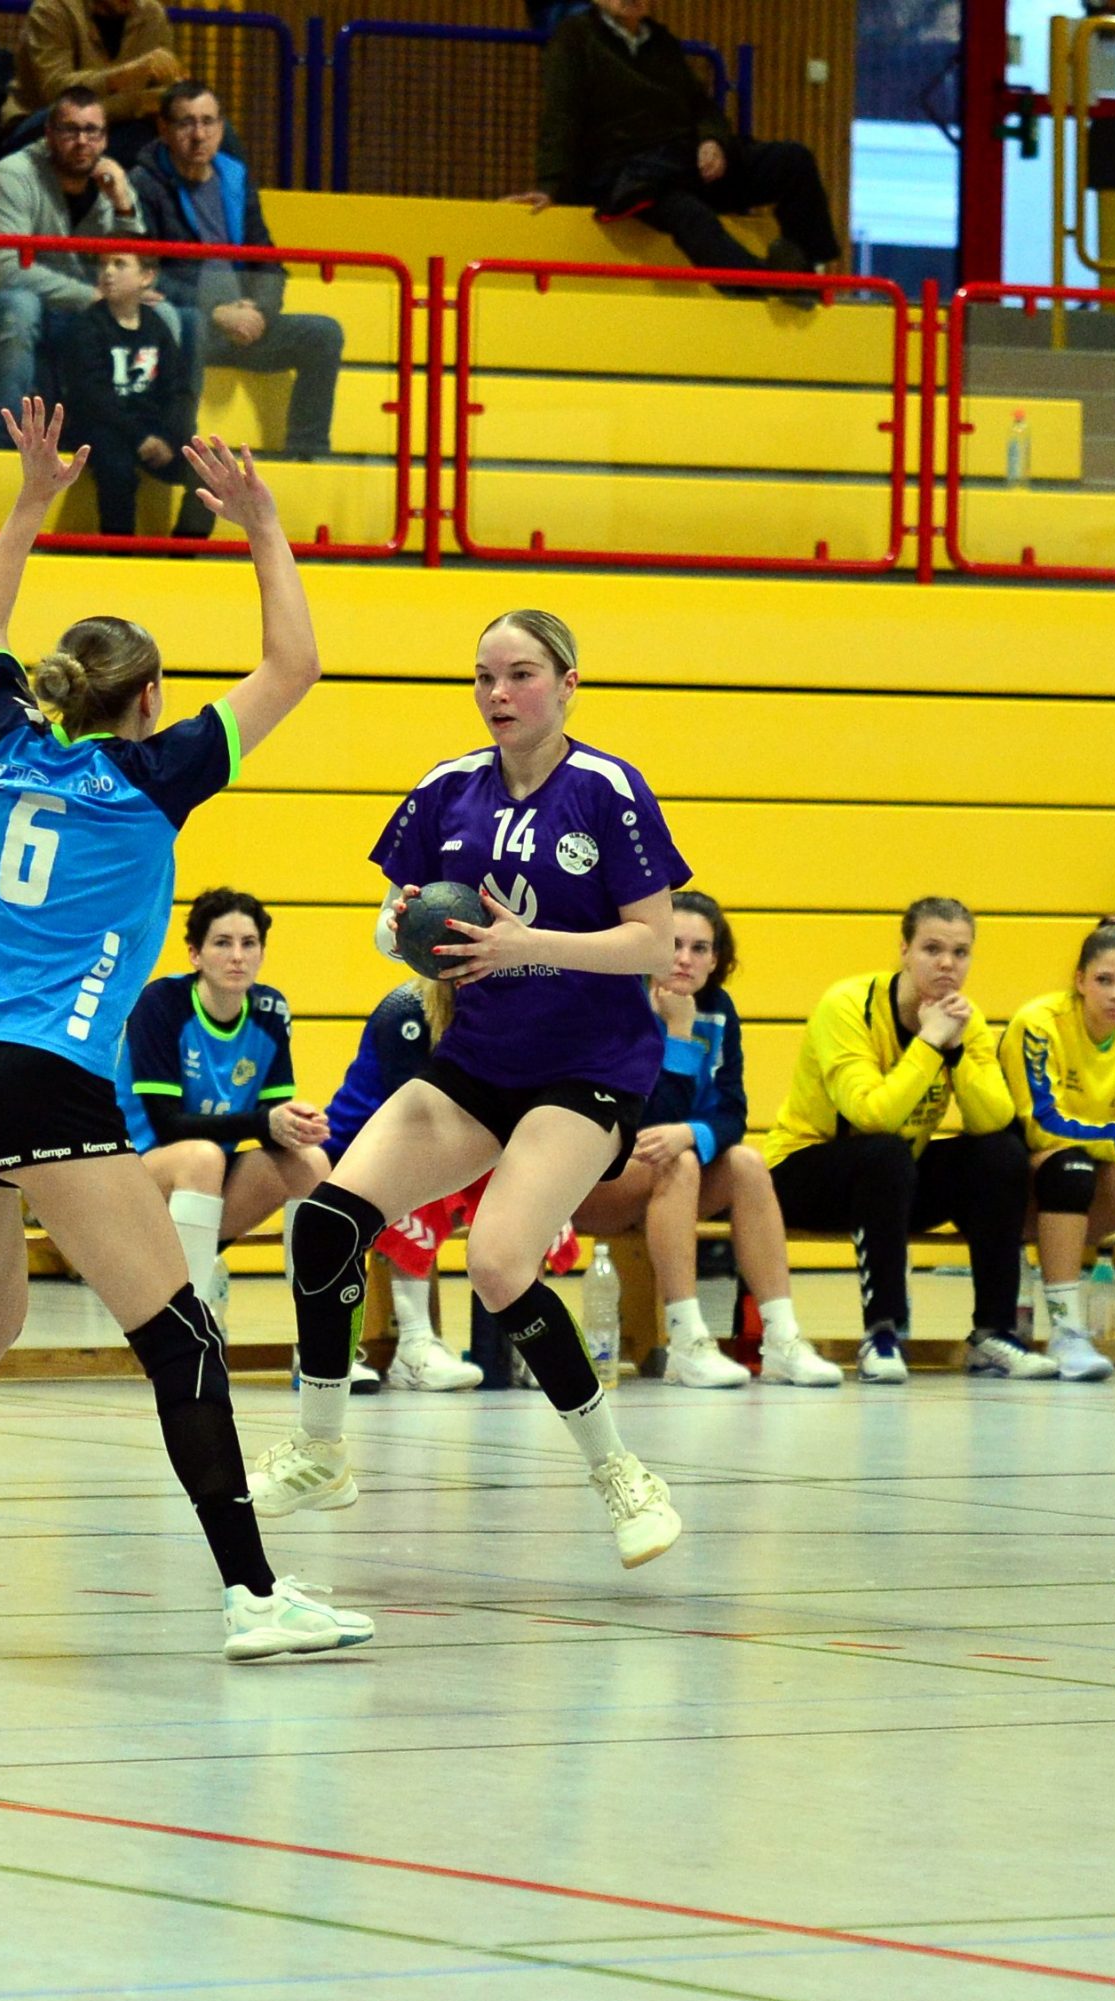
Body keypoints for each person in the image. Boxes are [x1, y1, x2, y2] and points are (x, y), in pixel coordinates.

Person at [0, 401, 372, 1664]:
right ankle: (255, 1597)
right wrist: (264, 526)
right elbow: (292, 668)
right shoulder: (156, 775)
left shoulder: (4, 741)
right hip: (43, 1081)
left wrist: (31, 500)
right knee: (180, 1335)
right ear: (150, 698)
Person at [254, 609, 689, 1569]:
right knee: (326, 1222)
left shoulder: (607, 790)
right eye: (485, 676)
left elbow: (655, 943)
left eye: (521, 674)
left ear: (567, 683)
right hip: (479, 1058)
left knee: (497, 1263)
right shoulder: (447, 789)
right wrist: (402, 927)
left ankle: (621, 1473)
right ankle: (322, 1450)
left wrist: (528, 944)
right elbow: (392, 920)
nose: (499, 693)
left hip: (588, 1068)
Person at [765, 899, 1053, 1384]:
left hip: (893, 1179)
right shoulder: (847, 1005)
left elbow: (993, 1118)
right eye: (932, 949)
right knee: (886, 1152)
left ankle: (993, 1334)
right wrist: (927, 1044)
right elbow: (871, 1114)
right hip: (801, 1174)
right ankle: (882, 1333)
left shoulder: (965, 1019)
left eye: (960, 953)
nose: (947, 964)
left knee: (1000, 1154)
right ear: (904, 950)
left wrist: (955, 1050)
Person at [574, 892, 844, 1388]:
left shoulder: (718, 1011)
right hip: (596, 1181)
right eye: (673, 944)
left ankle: (782, 1339)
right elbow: (642, 1120)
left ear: (716, 959)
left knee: (746, 1164)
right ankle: (687, 1342)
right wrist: (677, 1035)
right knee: (677, 1161)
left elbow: (731, 1112)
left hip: (668, 1179)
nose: (684, 958)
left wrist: (689, 1133)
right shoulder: (618, 1001)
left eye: (699, 948)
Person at [112, 887, 328, 1330]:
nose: (237, 957)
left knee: (310, 1162)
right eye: (222, 943)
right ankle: (188, 1324)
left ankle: (318, 1338)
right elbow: (167, 1125)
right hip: (134, 1176)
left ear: (262, 953)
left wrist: (295, 1126)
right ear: (195, 954)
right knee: (202, 1156)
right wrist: (264, 1122)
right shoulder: (161, 1004)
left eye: (249, 944)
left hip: (208, 1183)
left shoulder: (269, 1010)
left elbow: (271, 1118)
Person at [513, 0, 841, 286]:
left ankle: (806, 268)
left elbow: (703, 108)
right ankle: (758, 284)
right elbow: (561, 115)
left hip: (685, 159)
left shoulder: (662, 42)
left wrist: (712, 141)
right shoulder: (574, 37)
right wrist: (550, 186)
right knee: (689, 214)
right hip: (629, 174)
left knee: (793, 160)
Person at [129, 81, 344, 463]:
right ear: (164, 129)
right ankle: (182, 458)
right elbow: (145, 275)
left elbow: (269, 262)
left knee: (324, 334)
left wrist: (258, 311)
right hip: (186, 326)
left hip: (243, 323)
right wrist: (216, 312)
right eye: (186, 123)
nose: (199, 134)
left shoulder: (235, 178)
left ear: (221, 126)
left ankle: (307, 455)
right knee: (189, 325)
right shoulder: (144, 184)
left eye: (208, 122)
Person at [0, 89, 146, 447]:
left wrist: (123, 206)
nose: (82, 141)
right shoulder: (13, 174)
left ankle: (132, 447)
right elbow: (7, 270)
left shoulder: (114, 180)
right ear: (48, 133)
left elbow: (134, 268)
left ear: (105, 138)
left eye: (92, 131)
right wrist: (93, 296)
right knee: (19, 305)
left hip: (74, 316)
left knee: (164, 316)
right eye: (70, 130)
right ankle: (4, 445)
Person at [322, 977, 484, 1390]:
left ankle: (518, 1349)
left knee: (520, 1176)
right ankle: (414, 1346)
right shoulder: (406, 1009)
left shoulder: (494, 1007)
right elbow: (415, 1113)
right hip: (355, 1146)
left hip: (444, 1140)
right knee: (415, 1167)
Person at [999, 923, 1115, 1382]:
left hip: (1090, 1178)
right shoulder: (1039, 1023)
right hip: (1017, 1177)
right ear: (1079, 980)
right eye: (1104, 980)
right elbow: (1042, 1124)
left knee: (1080, 1169)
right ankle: (1067, 1330)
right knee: (1070, 1168)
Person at [58, 248, 212, 539]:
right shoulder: (86, 327)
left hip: (153, 430)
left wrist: (168, 438)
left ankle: (184, 555)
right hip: (101, 429)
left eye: (120, 264)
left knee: (212, 471)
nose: (108, 272)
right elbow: (92, 395)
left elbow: (178, 389)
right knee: (117, 470)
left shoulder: (156, 326)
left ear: (147, 277)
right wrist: (140, 436)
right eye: (104, 264)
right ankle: (121, 555)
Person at [4, 0, 182, 167]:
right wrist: (128, 82)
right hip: (41, 125)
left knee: (165, 146)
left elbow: (159, 97)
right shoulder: (52, 9)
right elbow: (56, 94)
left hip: (117, 126)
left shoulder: (151, 14)